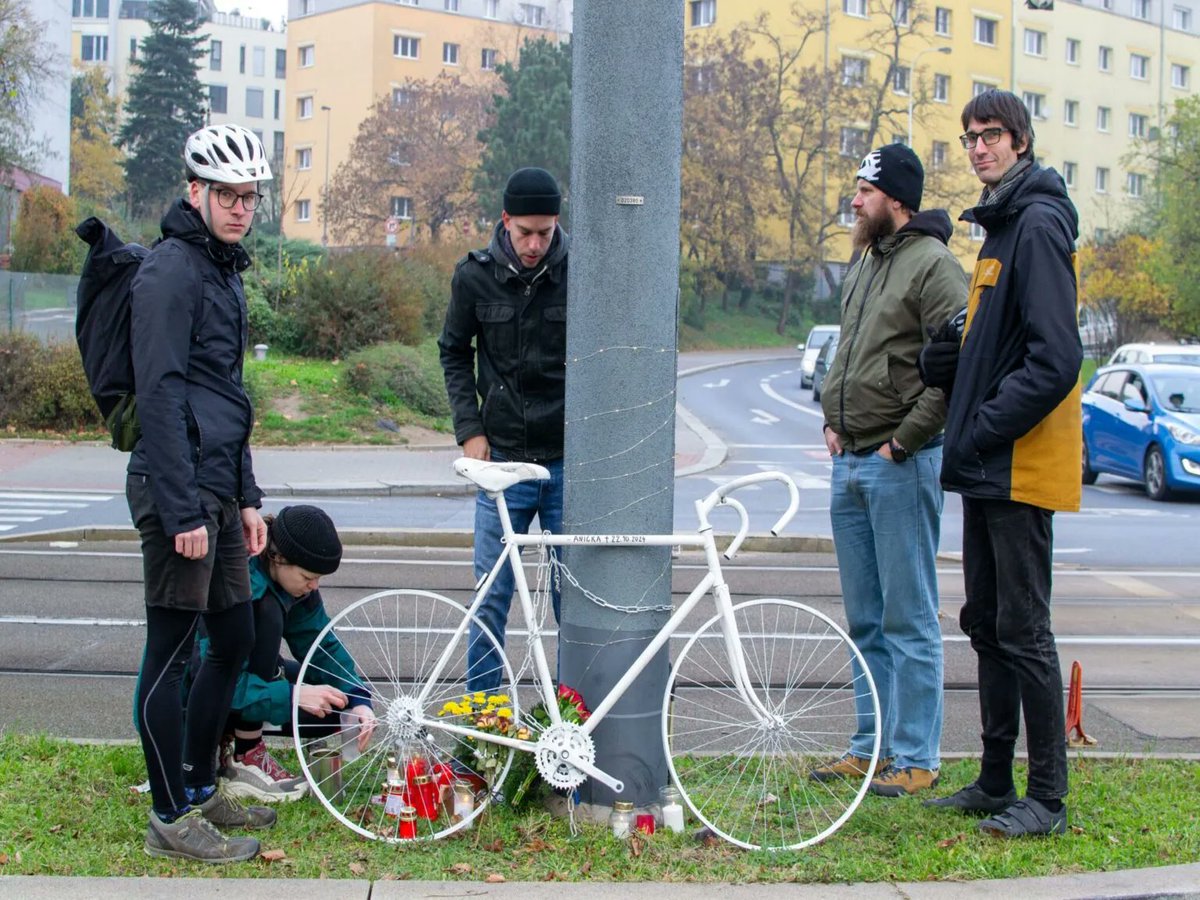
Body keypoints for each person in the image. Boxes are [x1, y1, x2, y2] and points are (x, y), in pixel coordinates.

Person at [919, 89, 1082, 837]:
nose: (979, 147)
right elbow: (1001, 343)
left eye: (991, 136)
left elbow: (1055, 360)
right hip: (988, 461)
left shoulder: (1039, 225)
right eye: (969, 138)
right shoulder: (999, 229)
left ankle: (1045, 798)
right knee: (986, 622)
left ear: (1020, 140)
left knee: (1024, 629)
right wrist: (950, 357)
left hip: (1015, 461)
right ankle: (994, 780)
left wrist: (982, 425)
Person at [129, 124, 275, 863]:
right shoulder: (171, 272)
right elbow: (158, 395)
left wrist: (246, 497)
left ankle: (198, 784)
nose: (241, 208)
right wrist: (185, 508)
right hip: (175, 490)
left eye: (250, 197)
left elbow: (227, 395)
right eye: (228, 195)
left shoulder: (223, 271)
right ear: (195, 192)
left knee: (238, 637)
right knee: (174, 649)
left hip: (218, 487)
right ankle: (167, 819)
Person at [810, 144, 966, 797]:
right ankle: (869, 747)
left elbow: (955, 366)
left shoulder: (934, 267)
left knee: (908, 617)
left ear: (896, 199)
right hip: (850, 459)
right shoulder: (868, 260)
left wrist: (903, 444)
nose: (855, 201)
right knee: (865, 620)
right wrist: (830, 414)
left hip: (897, 464)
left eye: (865, 191)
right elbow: (851, 349)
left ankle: (917, 759)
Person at [438, 167, 569, 692]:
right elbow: (452, 351)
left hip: (565, 459)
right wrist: (469, 427)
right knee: (490, 596)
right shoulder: (474, 276)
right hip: (502, 464)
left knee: (572, 599)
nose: (536, 244)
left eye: (546, 232)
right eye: (525, 233)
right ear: (505, 221)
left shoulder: (579, 270)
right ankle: (484, 725)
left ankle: (569, 721)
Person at [195, 505, 377, 803]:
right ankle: (245, 755)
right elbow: (215, 680)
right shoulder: (239, 585)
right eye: (308, 576)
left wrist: (357, 699)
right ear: (277, 557)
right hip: (193, 699)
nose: (314, 586)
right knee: (269, 615)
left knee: (336, 704)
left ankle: (239, 740)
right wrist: (293, 695)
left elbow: (321, 644)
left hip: (246, 678)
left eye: (319, 578)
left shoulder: (294, 587)